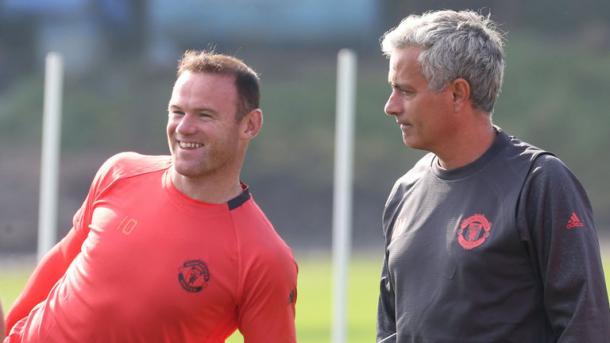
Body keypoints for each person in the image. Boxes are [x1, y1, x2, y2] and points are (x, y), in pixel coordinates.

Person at [4, 50, 298, 343]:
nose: (184, 128)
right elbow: (62, 261)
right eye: (177, 112)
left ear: (250, 125)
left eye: (204, 115)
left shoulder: (265, 258)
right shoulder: (120, 172)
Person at [376, 10, 610, 343]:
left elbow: (585, 327)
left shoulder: (539, 182)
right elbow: (389, 330)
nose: (391, 106)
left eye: (406, 91)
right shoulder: (404, 192)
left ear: (458, 93)